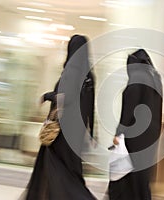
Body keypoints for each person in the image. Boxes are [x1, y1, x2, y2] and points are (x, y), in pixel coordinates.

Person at [21, 35, 96, 200]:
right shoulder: (89, 76)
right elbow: (91, 106)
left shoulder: (71, 71)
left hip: (61, 132)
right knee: (70, 171)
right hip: (77, 134)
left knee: (57, 169)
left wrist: (47, 95)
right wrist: (90, 133)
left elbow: (65, 97)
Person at [108, 49, 163, 200]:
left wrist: (119, 132)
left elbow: (129, 108)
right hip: (151, 134)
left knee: (125, 172)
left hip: (136, 134)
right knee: (141, 175)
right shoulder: (155, 77)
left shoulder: (137, 78)